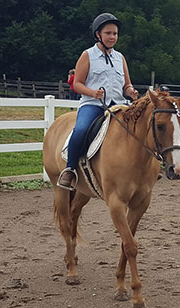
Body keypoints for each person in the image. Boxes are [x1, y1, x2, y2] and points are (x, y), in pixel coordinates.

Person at [57, 13, 139, 190]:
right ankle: (70, 169)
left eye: (115, 34)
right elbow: (77, 84)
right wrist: (92, 93)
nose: (112, 37)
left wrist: (131, 92)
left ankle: (145, 168)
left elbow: (126, 85)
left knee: (141, 127)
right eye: (108, 33)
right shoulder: (87, 56)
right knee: (80, 130)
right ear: (98, 35)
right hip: (93, 105)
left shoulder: (120, 58)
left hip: (118, 104)